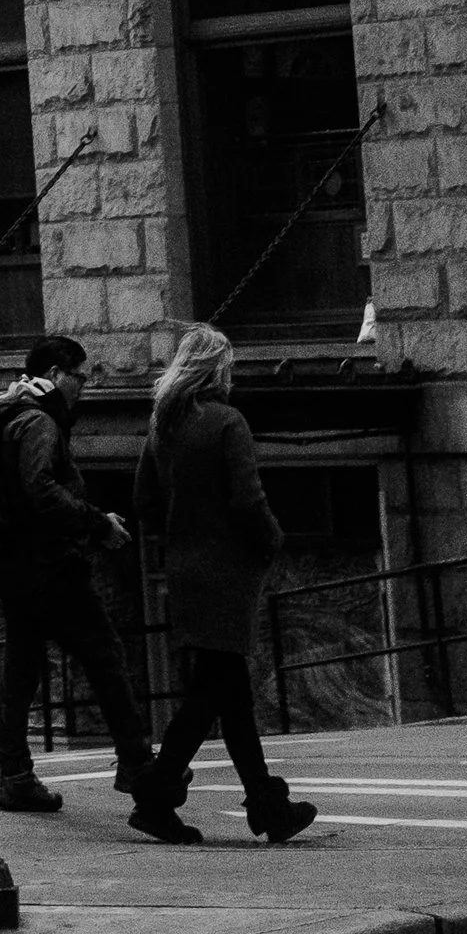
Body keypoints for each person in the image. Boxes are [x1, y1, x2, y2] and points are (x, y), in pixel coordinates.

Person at [133, 325, 318, 847]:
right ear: (219, 369)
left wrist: (181, 532)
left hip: (186, 571)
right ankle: (156, 796)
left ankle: (267, 805)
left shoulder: (161, 425)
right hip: (228, 573)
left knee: (228, 694)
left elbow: (145, 501)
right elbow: (248, 499)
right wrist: (272, 541)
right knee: (212, 693)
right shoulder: (226, 421)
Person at [0, 333, 162, 822]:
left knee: (22, 668)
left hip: (16, 565)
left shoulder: (9, 414)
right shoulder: (38, 421)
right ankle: (135, 762)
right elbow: (39, 489)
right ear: (56, 375)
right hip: (49, 566)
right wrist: (96, 522)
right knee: (103, 653)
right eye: (79, 375)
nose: (84, 385)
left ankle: (14, 775)